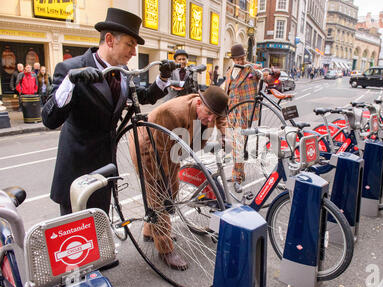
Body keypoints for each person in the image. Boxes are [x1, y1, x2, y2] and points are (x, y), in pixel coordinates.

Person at [41, 8, 176, 217]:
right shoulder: (71, 68)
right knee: (76, 237)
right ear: (110, 40)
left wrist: (163, 78)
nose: (133, 53)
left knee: (100, 229)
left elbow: (144, 96)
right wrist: (70, 82)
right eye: (130, 44)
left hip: (105, 171)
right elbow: (49, 119)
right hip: (76, 175)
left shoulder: (123, 74)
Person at [129, 86, 229, 270]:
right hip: (149, 148)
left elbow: (221, 117)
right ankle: (166, 250)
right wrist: (165, 183)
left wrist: (223, 135)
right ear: (199, 102)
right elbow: (159, 155)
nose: (210, 120)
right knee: (160, 196)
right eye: (208, 114)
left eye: (214, 116)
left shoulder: (211, 107)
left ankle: (149, 229)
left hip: (173, 148)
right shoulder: (172, 114)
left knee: (172, 191)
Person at [224, 44, 272, 193]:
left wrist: (264, 74)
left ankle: (237, 178)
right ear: (232, 59)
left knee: (238, 146)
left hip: (244, 113)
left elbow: (265, 74)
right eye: (237, 58)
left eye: (242, 58)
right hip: (231, 112)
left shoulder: (251, 68)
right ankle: (240, 173)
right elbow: (227, 90)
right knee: (235, 146)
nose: (240, 61)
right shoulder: (229, 71)